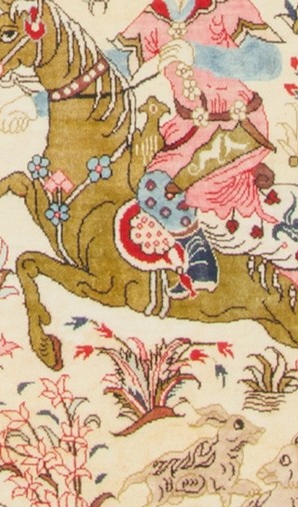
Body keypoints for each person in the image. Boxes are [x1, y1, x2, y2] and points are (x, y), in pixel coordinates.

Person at [111, 0, 282, 295]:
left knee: (163, 188)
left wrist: (198, 55)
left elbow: (269, 63)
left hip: (237, 126)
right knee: (148, 183)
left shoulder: (228, 6)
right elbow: (108, 71)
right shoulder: (155, 17)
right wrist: (39, 100)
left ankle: (201, 263)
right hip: (187, 131)